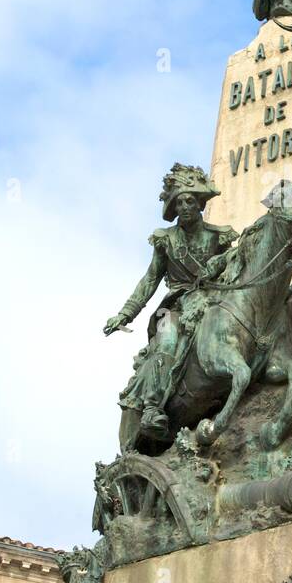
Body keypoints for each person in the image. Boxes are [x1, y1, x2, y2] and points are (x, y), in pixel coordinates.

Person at [104, 164, 236, 440]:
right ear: (173, 208)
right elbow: (150, 280)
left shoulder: (218, 237)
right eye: (179, 202)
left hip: (211, 302)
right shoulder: (166, 241)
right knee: (166, 343)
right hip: (174, 306)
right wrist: (125, 314)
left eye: (190, 200)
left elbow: (235, 270)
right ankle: (152, 407)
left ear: (200, 203)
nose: (185, 206)